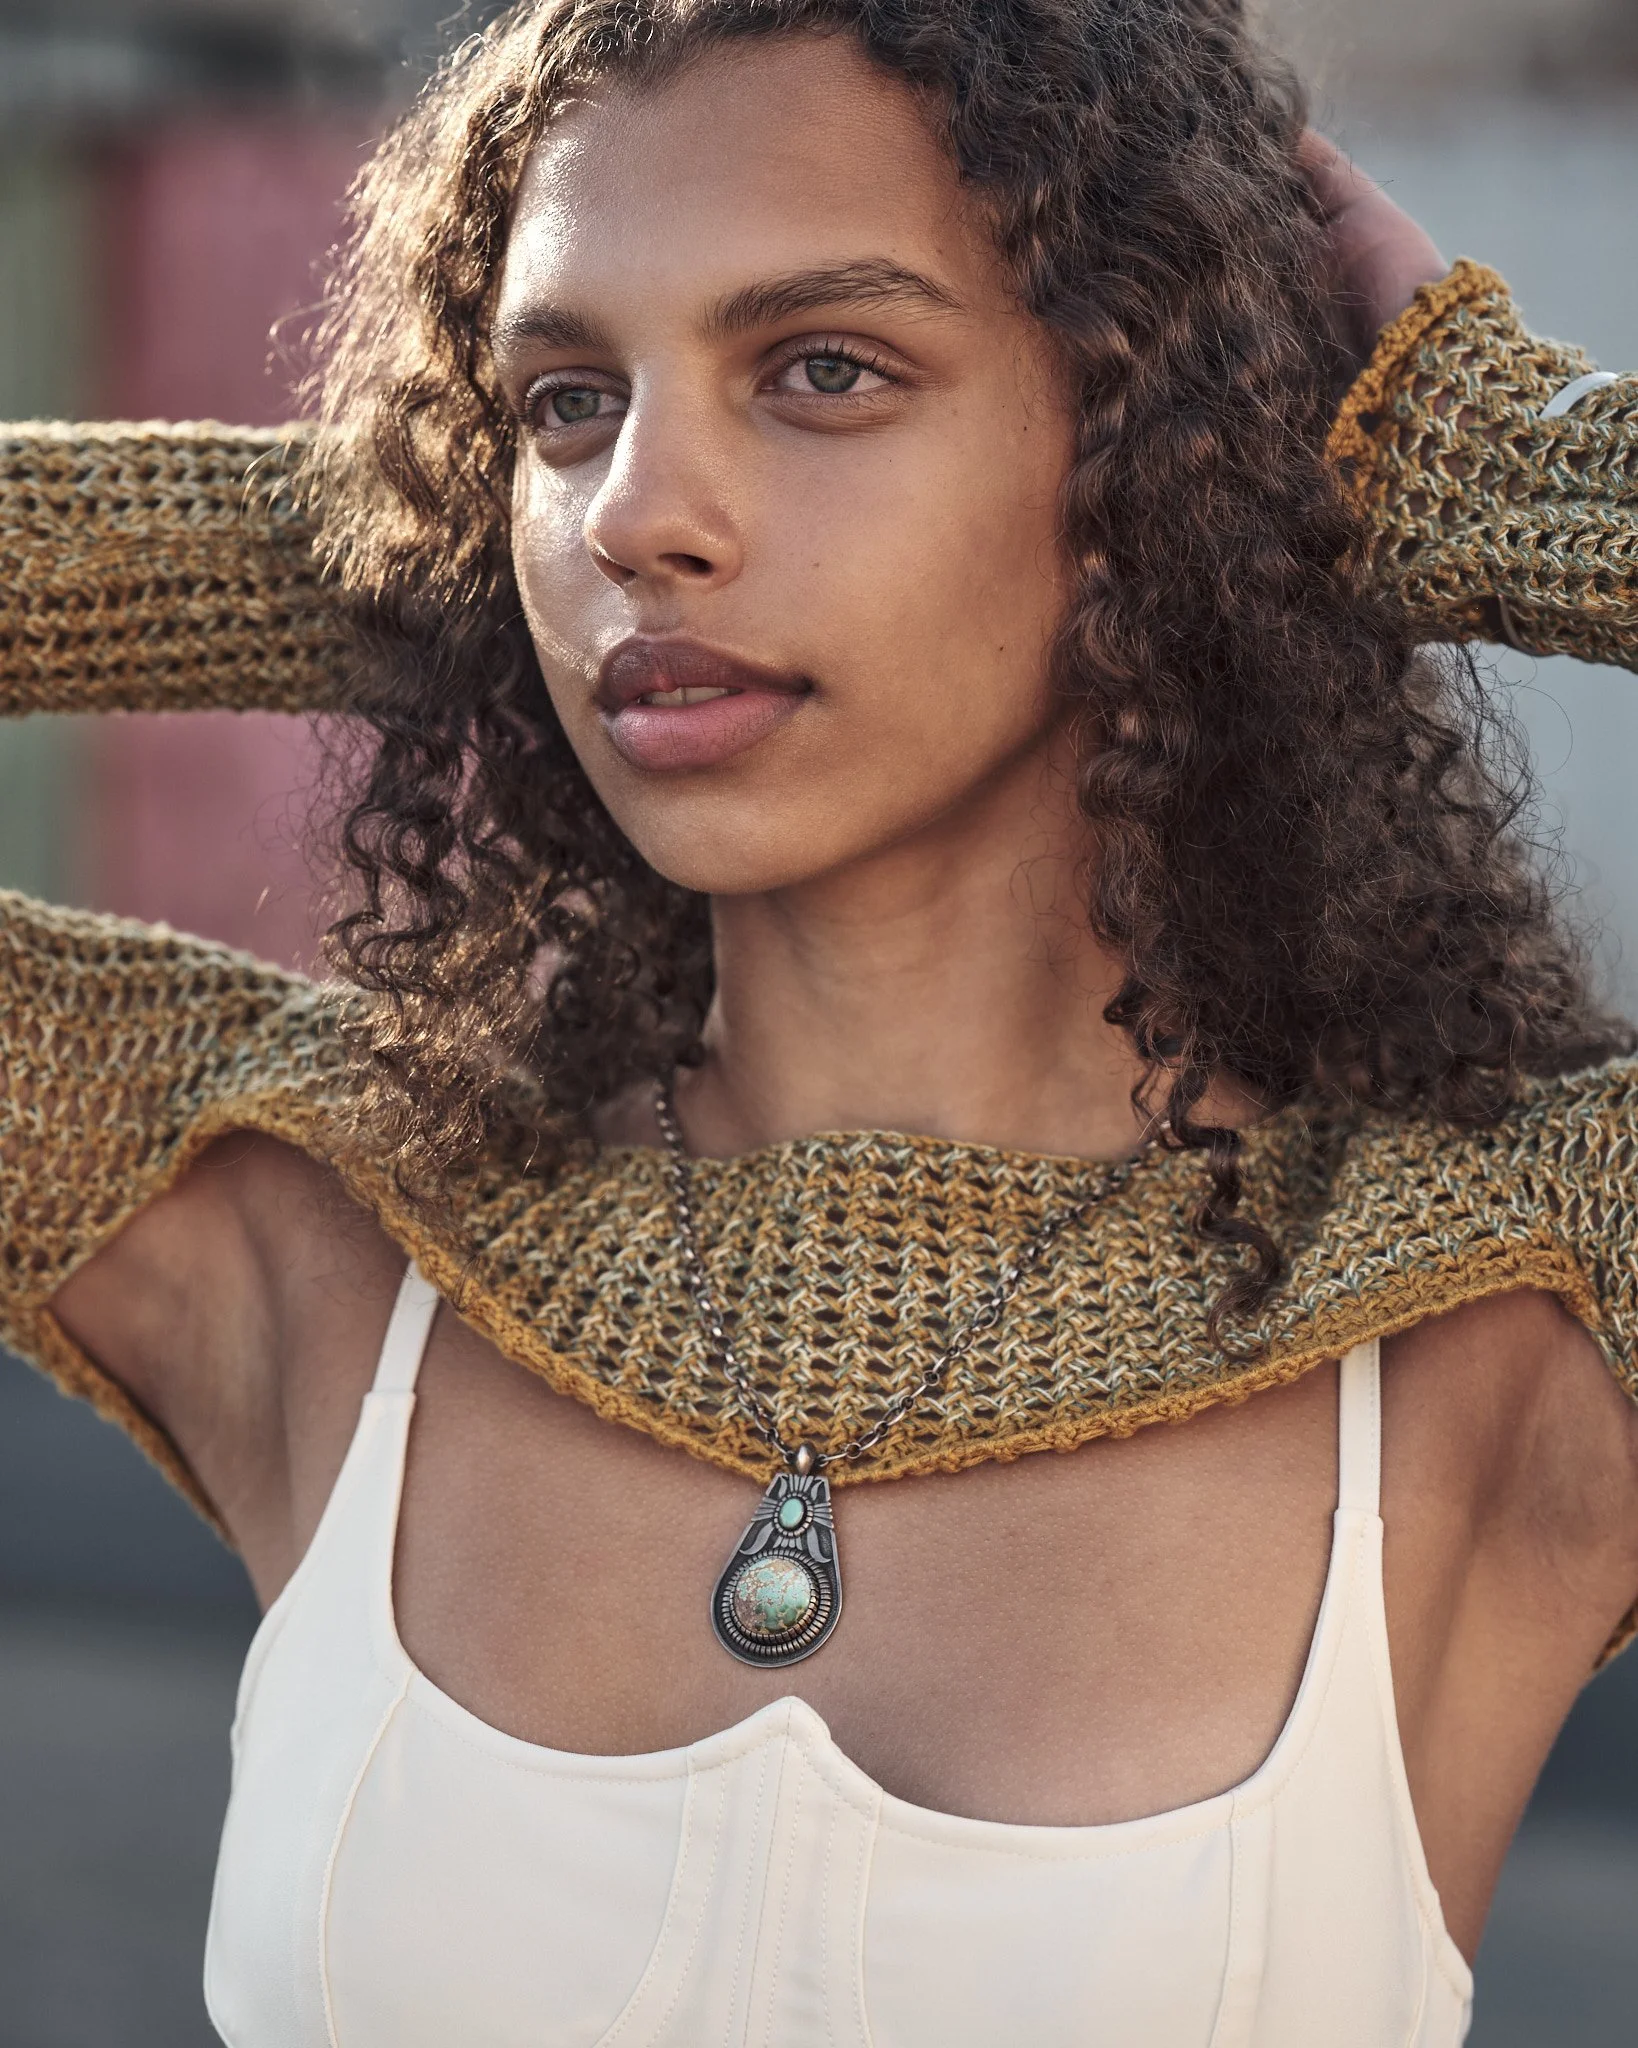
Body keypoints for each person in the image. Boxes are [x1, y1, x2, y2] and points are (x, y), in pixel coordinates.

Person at [2, 0, 1635, 2040]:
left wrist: (1487, 475)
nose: (633, 515)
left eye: (824, 368)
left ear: (1153, 458)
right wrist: (411, 544)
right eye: (564, 401)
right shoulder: (315, 1217)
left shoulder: (1502, 1309)